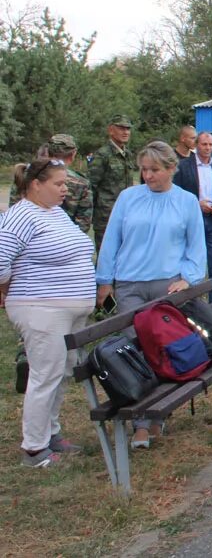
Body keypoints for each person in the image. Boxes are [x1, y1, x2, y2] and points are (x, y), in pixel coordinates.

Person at [96, 141, 206, 450]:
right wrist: (104, 280)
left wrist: (188, 278)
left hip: (166, 286)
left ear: (172, 169)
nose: (147, 176)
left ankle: (160, 414)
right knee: (134, 351)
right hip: (130, 285)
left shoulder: (185, 202)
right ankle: (141, 424)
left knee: (161, 349)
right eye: (143, 170)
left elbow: (196, 246)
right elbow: (111, 239)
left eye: (154, 170)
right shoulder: (128, 198)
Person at [1, 158, 98, 468]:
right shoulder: (20, 216)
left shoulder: (55, 213)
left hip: (67, 309)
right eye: (58, 184)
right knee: (45, 375)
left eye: (65, 183)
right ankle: (34, 448)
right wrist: (5, 288)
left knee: (62, 372)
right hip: (40, 308)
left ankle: (51, 433)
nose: (65, 189)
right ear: (35, 185)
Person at [176, 132, 212, 312]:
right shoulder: (183, 167)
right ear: (196, 145)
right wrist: (196, 204)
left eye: (210, 145)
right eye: (204, 144)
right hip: (192, 222)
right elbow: (176, 195)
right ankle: (190, 311)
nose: (207, 148)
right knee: (191, 268)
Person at [88, 114, 137, 252]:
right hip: (106, 217)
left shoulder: (128, 154)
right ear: (111, 130)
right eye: (121, 128)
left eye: (128, 129)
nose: (126, 132)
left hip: (126, 213)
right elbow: (92, 186)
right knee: (106, 256)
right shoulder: (102, 155)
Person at [46, 134, 93, 235]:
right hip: (66, 241)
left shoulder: (27, 174)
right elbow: (83, 223)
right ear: (73, 155)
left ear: (47, 153)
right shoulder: (81, 183)